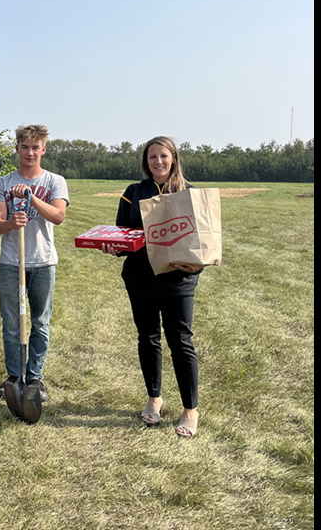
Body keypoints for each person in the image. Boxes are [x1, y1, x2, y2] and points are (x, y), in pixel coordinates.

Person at [101, 136, 204, 438]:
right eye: (152, 157)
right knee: (147, 338)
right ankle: (154, 399)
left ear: (174, 158)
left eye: (163, 156)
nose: (158, 162)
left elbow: (204, 241)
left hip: (177, 281)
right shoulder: (134, 192)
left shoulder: (190, 193)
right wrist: (113, 247)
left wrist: (198, 265)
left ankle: (190, 410)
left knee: (180, 341)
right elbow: (122, 235)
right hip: (140, 279)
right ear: (145, 162)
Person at [0, 125, 68, 403]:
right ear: (17, 149)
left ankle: (35, 378)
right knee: (11, 323)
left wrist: (31, 197)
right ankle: (14, 376)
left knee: (39, 322)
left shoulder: (54, 181)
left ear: (43, 149)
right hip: (12, 262)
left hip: (44, 262)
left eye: (36, 147)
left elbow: (58, 216)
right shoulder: (3, 183)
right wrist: (12, 222)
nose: (30, 152)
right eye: (25, 147)